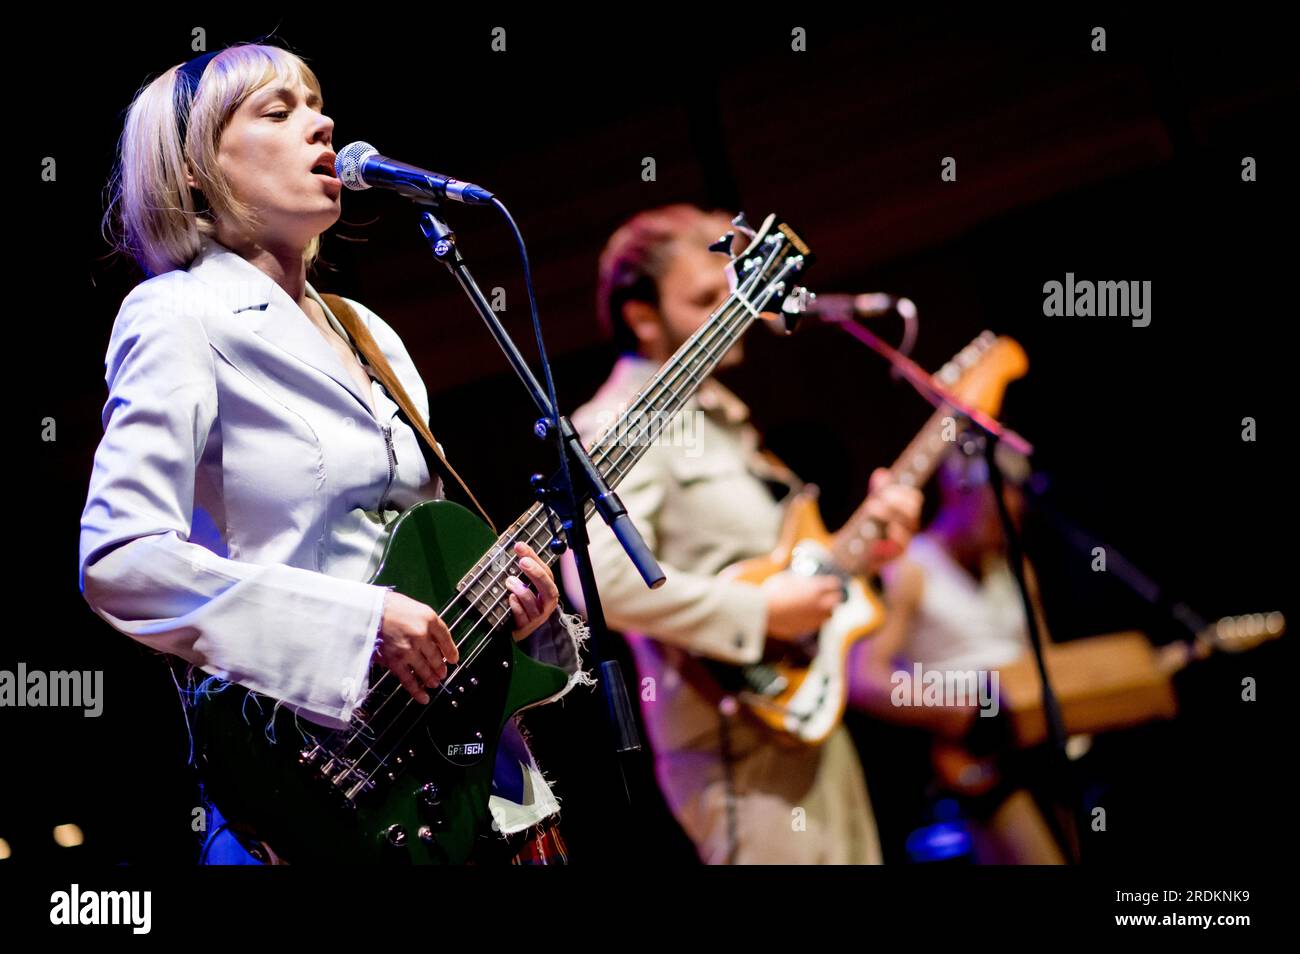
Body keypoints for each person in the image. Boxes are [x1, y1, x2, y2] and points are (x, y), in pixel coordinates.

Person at [79, 41, 587, 864]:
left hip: (480, 791)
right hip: (314, 793)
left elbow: (417, 563)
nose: (321, 124)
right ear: (195, 173)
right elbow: (120, 561)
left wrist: (517, 620)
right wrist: (355, 626)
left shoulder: (366, 330)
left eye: (316, 104)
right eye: (277, 112)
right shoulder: (176, 314)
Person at [562, 204, 923, 863]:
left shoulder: (721, 415)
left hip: (806, 716)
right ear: (642, 316)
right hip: (730, 745)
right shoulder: (621, 419)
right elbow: (600, 580)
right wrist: (761, 612)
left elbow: (779, 564)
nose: (732, 310)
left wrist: (868, 548)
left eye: (732, 292)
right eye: (705, 299)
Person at [849, 446, 1067, 864]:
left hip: (1041, 745)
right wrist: (964, 714)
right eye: (994, 499)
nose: (1011, 509)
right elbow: (865, 677)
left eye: (1017, 497)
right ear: (956, 494)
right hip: (974, 760)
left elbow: (1049, 663)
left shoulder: (1017, 569)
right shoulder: (912, 569)